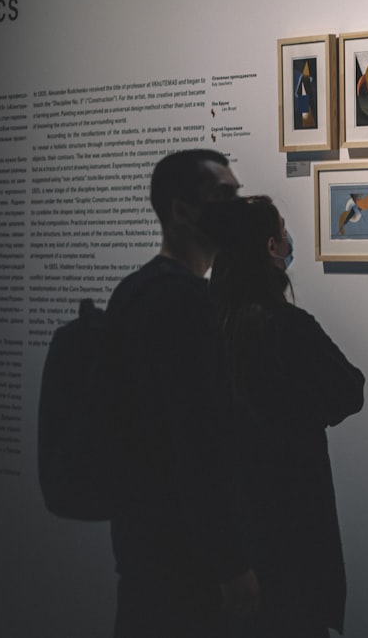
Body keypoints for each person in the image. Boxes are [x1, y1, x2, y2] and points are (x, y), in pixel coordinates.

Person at [106, 149, 259, 638]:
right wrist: (232, 567)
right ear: (181, 210)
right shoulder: (185, 303)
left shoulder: (133, 291)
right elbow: (198, 445)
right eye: (222, 194)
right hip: (185, 563)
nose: (237, 205)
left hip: (142, 547)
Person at [210, 195, 365, 637]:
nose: (287, 236)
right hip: (291, 527)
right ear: (271, 247)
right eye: (281, 228)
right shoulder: (286, 326)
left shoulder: (208, 325)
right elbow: (349, 391)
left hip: (227, 535)